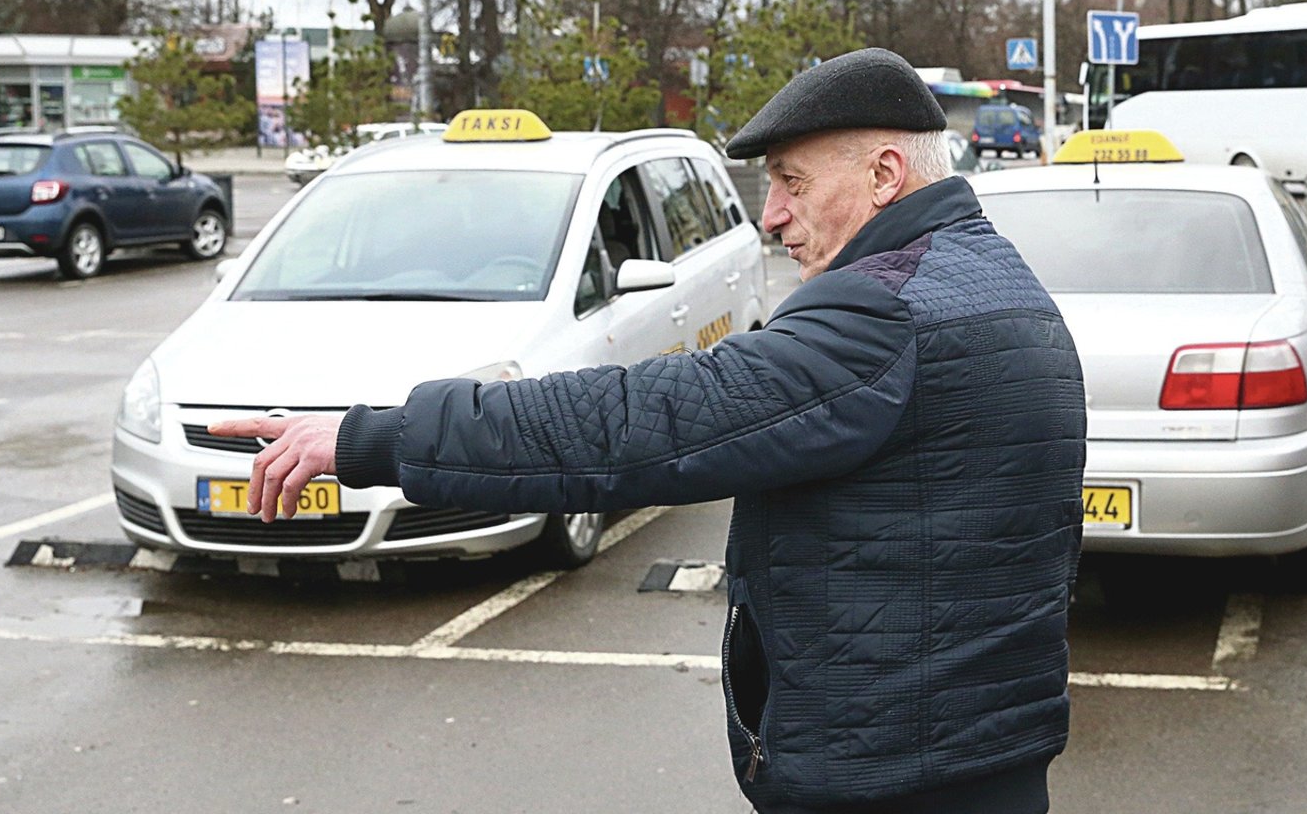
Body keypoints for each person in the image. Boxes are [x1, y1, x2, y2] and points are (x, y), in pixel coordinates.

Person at [209, 47, 1087, 814]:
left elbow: (637, 424)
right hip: (983, 749)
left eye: (792, 182)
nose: (772, 216)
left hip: (892, 772)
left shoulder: (879, 313)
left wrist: (372, 438)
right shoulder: (995, 280)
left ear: (887, 175)